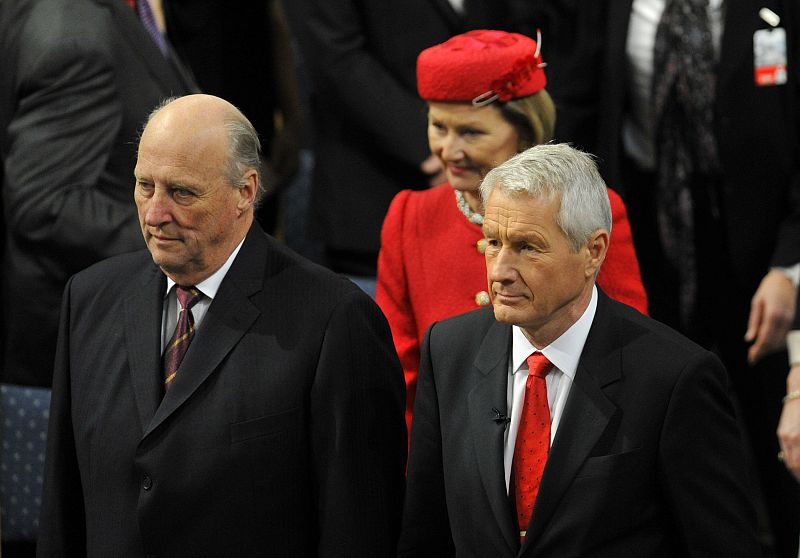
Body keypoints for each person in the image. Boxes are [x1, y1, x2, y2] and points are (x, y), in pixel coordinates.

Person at [37, 94, 406, 557]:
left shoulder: (334, 320)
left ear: (246, 192)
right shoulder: (89, 299)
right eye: (144, 186)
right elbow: (62, 509)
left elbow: (358, 529)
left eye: (182, 192)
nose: (154, 214)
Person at [520, 2, 800, 554]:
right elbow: (576, 105)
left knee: (778, 440)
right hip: (647, 244)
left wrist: (790, 265)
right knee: (665, 433)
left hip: (762, 256)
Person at [399, 143, 761, 557]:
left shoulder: (675, 379)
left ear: (593, 252)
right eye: (493, 243)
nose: (499, 271)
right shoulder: (447, 351)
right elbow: (424, 535)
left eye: (527, 247)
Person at [375, 30, 648, 431]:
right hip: (451, 460)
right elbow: (399, 373)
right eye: (438, 127)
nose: (448, 151)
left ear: (524, 129)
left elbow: (625, 349)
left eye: (471, 132)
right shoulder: (409, 216)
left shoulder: (590, 209)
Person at [0, 0, 196, 388]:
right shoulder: (73, 30)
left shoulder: (122, 9)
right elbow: (46, 203)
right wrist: (189, 237)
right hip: (85, 339)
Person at [283, 0, 520, 282]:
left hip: (499, 200)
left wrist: (502, 143)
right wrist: (446, 147)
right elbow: (334, 56)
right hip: (372, 196)